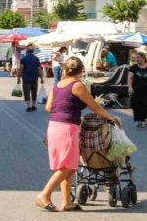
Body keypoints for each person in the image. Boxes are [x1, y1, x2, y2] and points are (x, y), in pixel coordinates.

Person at [36, 56, 120, 212]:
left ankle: (67, 202)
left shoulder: (58, 85)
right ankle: (44, 194)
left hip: (54, 126)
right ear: (81, 70)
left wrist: (66, 109)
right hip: (67, 128)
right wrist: (110, 117)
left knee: (67, 166)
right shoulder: (78, 86)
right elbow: (94, 106)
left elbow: (48, 108)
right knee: (68, 166)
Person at [19, 45, 43, 112]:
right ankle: (33, 106)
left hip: (26, 78)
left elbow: (21, 69)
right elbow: (39, 69)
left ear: (27, 51)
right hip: (34, 78)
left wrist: (18, 78)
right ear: (33, 52)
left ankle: (29, 106)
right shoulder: (36, 59)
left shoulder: (24, 59)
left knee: (26, 92)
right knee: (34, 92)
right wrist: (41, 78)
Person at [128, 51, 147, 128]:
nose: (137, 59)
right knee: (137, 105)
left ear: (143, 58)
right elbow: (129, 78)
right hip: (136, 90)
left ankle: (144, 119)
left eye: (138, 57)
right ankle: (140, 121)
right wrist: (130, 87)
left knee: (146, 104)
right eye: (136, 57)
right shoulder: (134, 67)